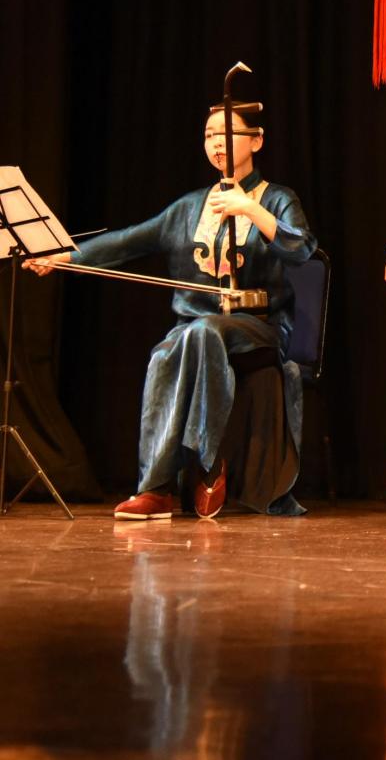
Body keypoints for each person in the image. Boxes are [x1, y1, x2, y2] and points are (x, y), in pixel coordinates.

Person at [27, 103, 317, 519]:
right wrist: (63, 257)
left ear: (256, 140)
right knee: (169, 349)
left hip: (262, 328)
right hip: (198, 331)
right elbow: (128, 241)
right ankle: (157, 489)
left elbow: (303, 249)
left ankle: (206, 462)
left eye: (227, 133)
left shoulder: (277, 199)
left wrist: (251, 209)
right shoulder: (188, 208)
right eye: (209, 134)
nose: (217, 142)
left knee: (200, 332)